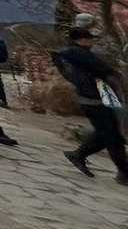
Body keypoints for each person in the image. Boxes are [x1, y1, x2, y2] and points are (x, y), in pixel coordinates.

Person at [55, 26, 128, 183]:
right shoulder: (78, 54)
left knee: (107, 134)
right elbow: (106, 70)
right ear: (82, 39)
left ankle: (78, 155)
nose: (92, 41)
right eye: (89, 38)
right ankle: (124, 173)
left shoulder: (72, 54)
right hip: (95, 98)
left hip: (95, 97)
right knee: (112, 136)